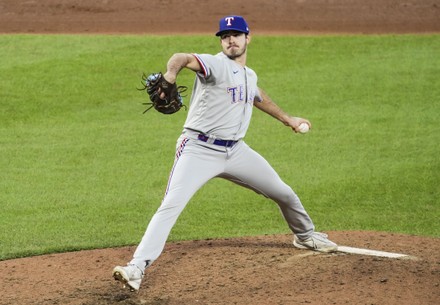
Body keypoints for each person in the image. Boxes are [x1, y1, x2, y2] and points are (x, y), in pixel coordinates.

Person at [113, 15, 337, 292]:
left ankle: (305, 235)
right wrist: (171, 74)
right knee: (171, 204)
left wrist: (287, 118)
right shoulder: (215, 65)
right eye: (225, 36)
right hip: (199, 149)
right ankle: (136, 267)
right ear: (221, 41)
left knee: (283, 192)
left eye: (236, 35)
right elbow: (180, 57)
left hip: (236, 151)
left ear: (247, 38)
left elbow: (256, 96)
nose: (231, 40)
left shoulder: (248, 74)